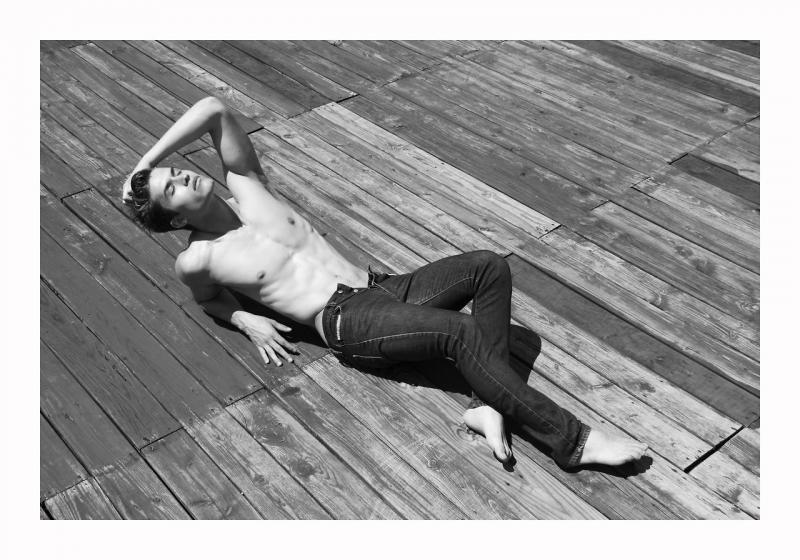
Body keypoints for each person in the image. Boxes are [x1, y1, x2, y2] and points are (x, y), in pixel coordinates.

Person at [123, 96, 648, 469]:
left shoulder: (247, 187)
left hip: (382, 286)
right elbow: (208, 300)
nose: (183, 176)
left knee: (488, 266)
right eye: (172, 189)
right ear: (176, 218)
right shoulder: (198, 258)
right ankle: (573, 442)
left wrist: (146, 163)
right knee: (461, 332)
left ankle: (486, 404)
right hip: (345, 320)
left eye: (176, 171)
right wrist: (245, 319)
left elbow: (213, 107)